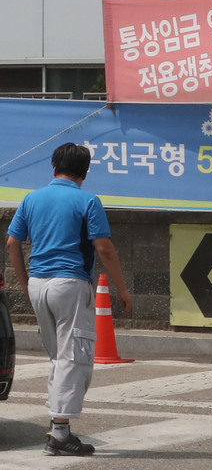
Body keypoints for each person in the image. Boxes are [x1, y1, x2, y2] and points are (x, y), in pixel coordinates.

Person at [7, 142, 132, 456]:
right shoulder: (87, 200)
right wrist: (123, 288)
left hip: (38, 283)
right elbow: (104, 249)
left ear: (53, 168)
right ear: (85, 172)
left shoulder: (31, 199)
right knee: (74, 357)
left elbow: (12, 242)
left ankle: (58, 425)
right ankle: (60, 434)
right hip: (70, 284)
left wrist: (25, 283)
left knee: (58, 356)